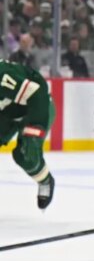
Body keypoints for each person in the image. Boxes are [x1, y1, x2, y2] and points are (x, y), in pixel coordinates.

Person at [0, 59, 56, 209]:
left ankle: (45, 180)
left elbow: (36, 93)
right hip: (6, 113)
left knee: (26, 154)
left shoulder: (2, 75)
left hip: (37, 106)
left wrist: (35, 129)